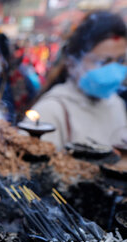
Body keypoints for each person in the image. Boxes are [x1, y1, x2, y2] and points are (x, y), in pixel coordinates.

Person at [32, 11, 127, 148]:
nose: (114, 69)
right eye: (103, 61)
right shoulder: (50, 111)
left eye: (121, 60)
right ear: (72, 64)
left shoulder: (116, 104)